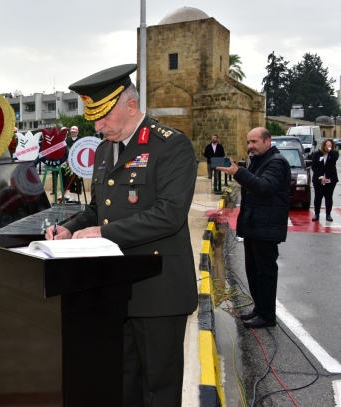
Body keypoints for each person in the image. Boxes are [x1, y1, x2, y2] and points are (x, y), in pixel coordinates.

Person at [45, 64, 198, 406]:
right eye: (94, 119)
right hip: (115, 289)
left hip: (158, 291)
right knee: (123, 381)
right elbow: (98, 209)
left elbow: (169, 214)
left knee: (159, 386)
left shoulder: (170, 146)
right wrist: (69, 228)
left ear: (131, 106)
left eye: (103, 118)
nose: (97, 127)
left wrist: (103, 233)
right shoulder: (104, 150)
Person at [217, 128, 290, 329]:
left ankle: (267, 315)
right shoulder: (258, 160)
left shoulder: (276, 162)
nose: (250, 146)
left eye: (255, 142)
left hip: (265, 227)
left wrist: (238, 172)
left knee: (265, 273)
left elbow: (263, 187)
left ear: (268, 142)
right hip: (254, 225)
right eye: (248, 142)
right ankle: (260, 308)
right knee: (253, 271)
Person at [310, 138, 339, 222]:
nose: (328, 147)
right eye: (327, 145)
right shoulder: (317, 154)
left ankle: (328, 214)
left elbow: (334, 158)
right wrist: (320, 176)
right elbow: (314, 166)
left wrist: (330, 150)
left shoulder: (334, 154)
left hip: (330, 179)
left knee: (328, 197)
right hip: (319, 179)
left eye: (330, 145)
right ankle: (316, 214)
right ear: (324, 145)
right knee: (318, 197)